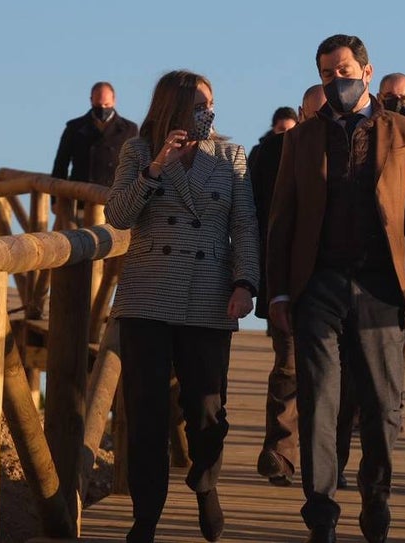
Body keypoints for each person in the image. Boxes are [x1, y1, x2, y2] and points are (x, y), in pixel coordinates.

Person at [267, 34, 405, 543]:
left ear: (366, 71)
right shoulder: (300, 139)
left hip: (383, 288)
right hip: (319, 285)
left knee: (383, 407)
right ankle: (321, 512)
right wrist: (277, 293)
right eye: (325, 74)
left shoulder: (404, 134)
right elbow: (283, 219)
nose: (335, 81)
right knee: (321, 401)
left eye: (343, 70)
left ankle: (375, 497)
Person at [105, 70, 259, 543]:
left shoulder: (231, 155)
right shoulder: (138, 150)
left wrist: (245, 282)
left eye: (210, 105)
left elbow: (245, 225)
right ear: (174, 106)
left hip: (209, 295)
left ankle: (205, 483)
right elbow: (117, 216)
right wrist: (156, 168)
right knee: (146, 412)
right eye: (198, 105)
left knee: (208, 410)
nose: (206, 114)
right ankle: (145, 517)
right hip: (148, 296)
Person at [254, 87, 325, 487]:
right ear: (301, 114)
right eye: (313, 114)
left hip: (338, 282)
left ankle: (326, 458)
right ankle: (280, 453)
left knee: (336, 379)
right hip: (288, 282)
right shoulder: (269, 155)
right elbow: (257, 219)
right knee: (289, 366)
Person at [52, 81, 138, 188]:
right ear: (91, 100)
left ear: (114, 100)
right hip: (81, 196)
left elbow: (137, 167)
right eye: (98, 105)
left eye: (106, 105)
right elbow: (60, 166)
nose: (102, 108)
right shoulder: (74, 128)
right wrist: (56, 200)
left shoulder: (130, 130)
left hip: (114, 197)